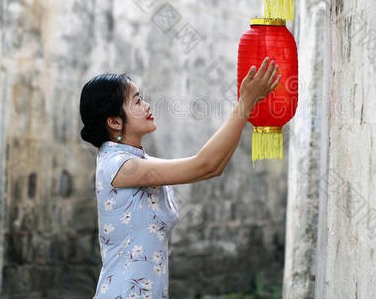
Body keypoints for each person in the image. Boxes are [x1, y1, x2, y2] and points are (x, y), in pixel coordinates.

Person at [79, 57, 280, 298]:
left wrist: (247, 105)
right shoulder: (119, 165)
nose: (147, 106)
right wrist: (246, 103)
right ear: (114, 121)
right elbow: (204, 165)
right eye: (137, 102)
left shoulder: (135, 160)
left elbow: (212, 167)